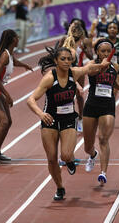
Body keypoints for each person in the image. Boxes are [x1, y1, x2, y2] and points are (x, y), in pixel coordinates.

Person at [27, 44, 110, 200]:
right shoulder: (50, 78)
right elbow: (30, 100)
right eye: (63, 59)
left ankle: (70, 160)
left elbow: (89, 68)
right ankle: (60, 188)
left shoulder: (74, 72)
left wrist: (102, 65)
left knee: (65, 155)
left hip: (68, 119)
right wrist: (40, 113)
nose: (66, 62)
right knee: (52, 158)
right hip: (50, 120)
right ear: (56, 61)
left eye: (69, 59)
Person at [83, 38, 119, 185]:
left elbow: (113, 82)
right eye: (103, 51)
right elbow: (91, 73)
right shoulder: (91, 64)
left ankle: (103, 173)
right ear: (97, 52)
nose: (106, 53)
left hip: (108, 105)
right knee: (87, 146)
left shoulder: (115, 65)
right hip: (91, 105)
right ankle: (92, 155)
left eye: (109, 51)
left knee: (103, 139)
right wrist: (101, 66)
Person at [0, 29, 32, 166]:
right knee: (3, 121)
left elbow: (13, 61)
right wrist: (7, 95)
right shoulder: (4, 55)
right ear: (13, 39)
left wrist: (24, 65)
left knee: (8, 122)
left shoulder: (9, 53)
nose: (19, 39)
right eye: (17, 37)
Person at [60, 21, 93, 132]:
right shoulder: (66, 41)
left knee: (78, 95)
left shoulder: (85, 41)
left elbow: (91, 55)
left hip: (78, 70)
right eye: (72, 24)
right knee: (68, 95)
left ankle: (80, 118)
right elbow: (57, 53)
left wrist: (84, 48)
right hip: (70, 71)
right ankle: (68, 120)